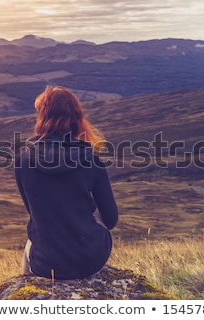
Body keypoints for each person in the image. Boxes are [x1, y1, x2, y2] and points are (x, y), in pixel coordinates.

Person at [14, 85, 119, 280]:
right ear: (77, 118)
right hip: (90, 260)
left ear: (42, 117)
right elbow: (110, 219)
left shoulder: (23, 160)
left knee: (32, 238)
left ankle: (28, 290)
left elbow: (35, 214)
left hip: (45, 265)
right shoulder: (91, 159)